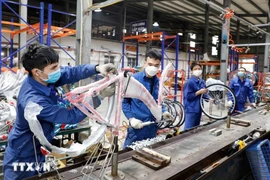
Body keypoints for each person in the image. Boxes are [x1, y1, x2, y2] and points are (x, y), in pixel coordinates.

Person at [3, 43, 117, 180]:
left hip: (37, 148)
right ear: (37, 72)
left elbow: (71, 73)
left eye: (58, 65)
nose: (59, 70)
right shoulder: (34, 102)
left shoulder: (43, 79)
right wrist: (99, 97)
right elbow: (71, 116)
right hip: (22, 156)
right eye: (54, 68)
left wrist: (97, 68)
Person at [122, 50, 173, 148]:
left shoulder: (159, 83)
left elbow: (158, 102)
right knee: (127, 156)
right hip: (137, 127)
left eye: (156, 65)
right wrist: (131, 119)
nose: (153, 68)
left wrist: (164, 111)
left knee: (148, 155)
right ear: (145, 63)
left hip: (152, 127)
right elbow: (124, 102)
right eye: (150, 64)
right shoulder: (134, 80)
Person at [183, 62, 208, 130]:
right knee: (188, 130)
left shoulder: (202, 81)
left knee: (195, 129)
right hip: (191, 109)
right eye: (195, 69)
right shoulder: (189, 82)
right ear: (191, 71)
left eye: (199, 69)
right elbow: (188, 96)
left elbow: (204, 94)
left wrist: (210, 99)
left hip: (199, 109)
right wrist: (199, 92)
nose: (197, 70)